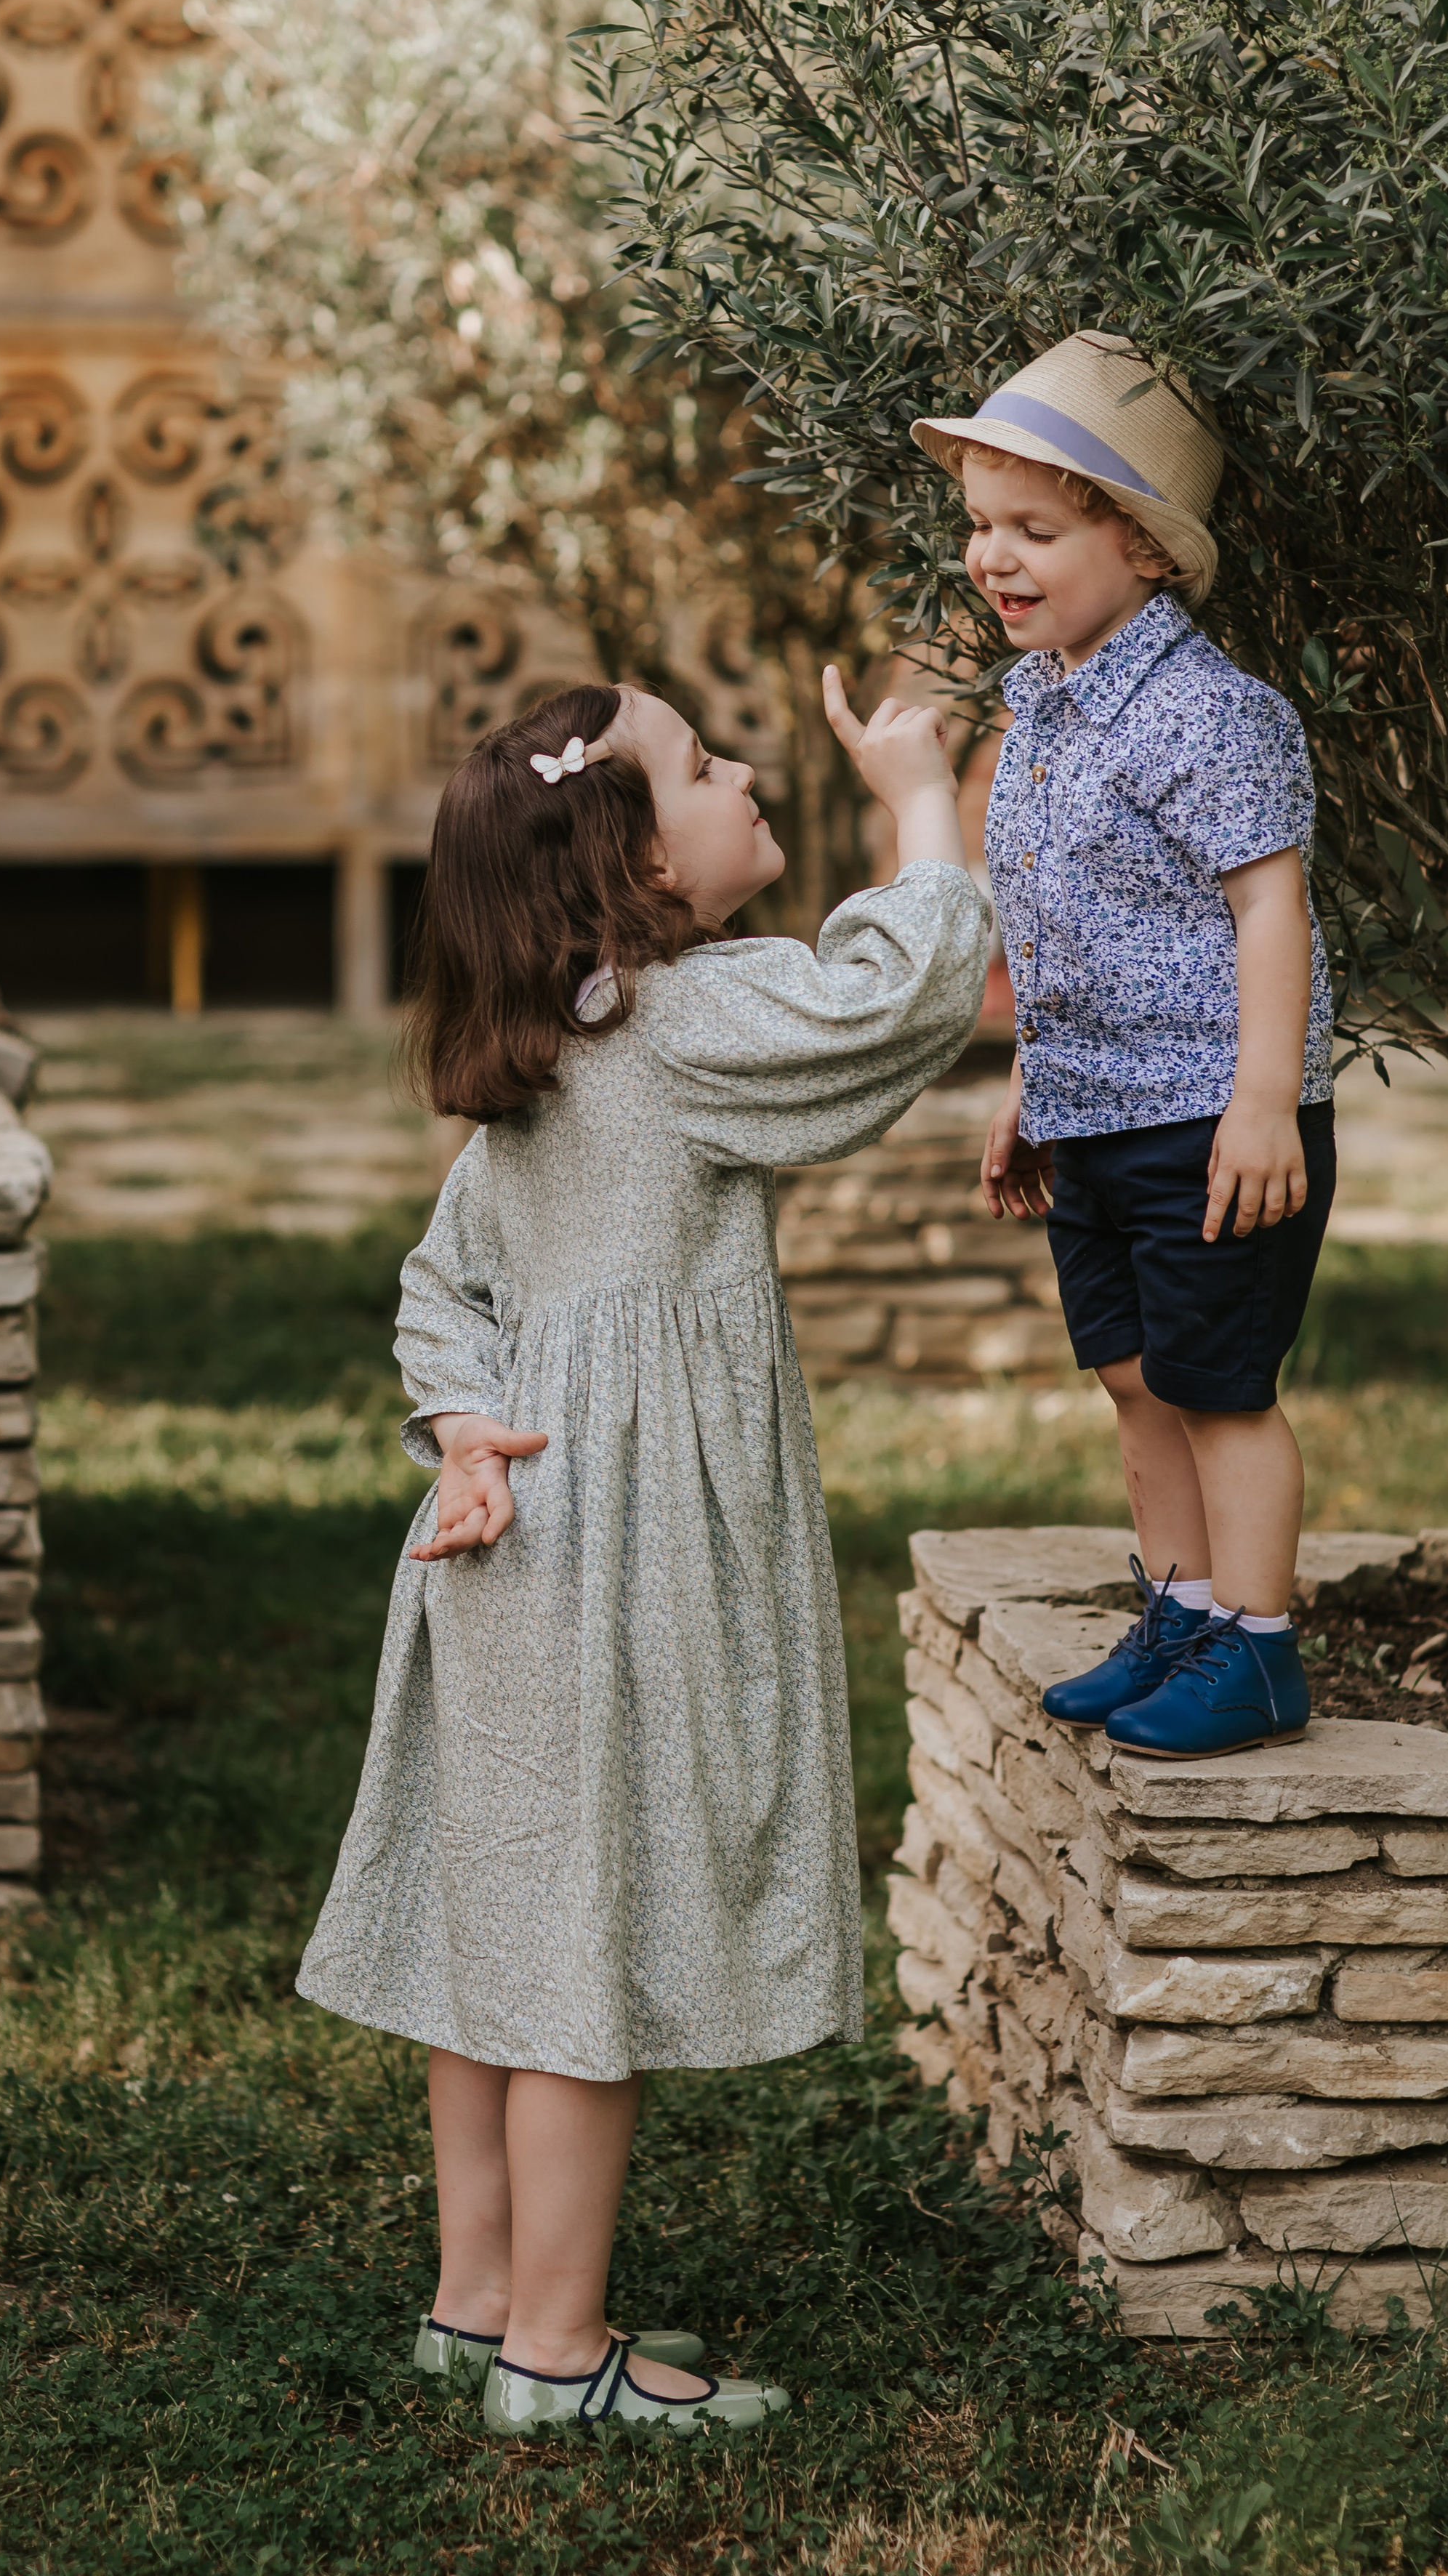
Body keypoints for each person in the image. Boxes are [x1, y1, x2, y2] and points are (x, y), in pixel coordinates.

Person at [297, 673, 990, 2434]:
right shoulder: (683, 1024)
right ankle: (557, 2354)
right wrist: (919, 802)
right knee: (582, 1954)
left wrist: (458, 1431)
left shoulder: (548, 1048)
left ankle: (472, 2305)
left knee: (497, 1932)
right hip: (616, 1554)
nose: (746, 769)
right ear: (628, 862)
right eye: (702, 763)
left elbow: (439, 1290)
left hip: (504, 1542)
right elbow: (895, 1002)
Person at [910, 329, 1335, 1761]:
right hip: (1095, 1108)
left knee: (1219, 1387)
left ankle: (1258, 1651)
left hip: (1211, 1115)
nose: (992, 555)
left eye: (1032, 528)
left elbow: (1267, 911)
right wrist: (1034, 1080)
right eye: (978, 525)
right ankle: (1181, 1608)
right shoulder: (1036, 703)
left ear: (1144, 548)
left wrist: (1265, 1101)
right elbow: (1058, 920)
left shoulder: (1210, 716)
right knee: (1133, 1377)